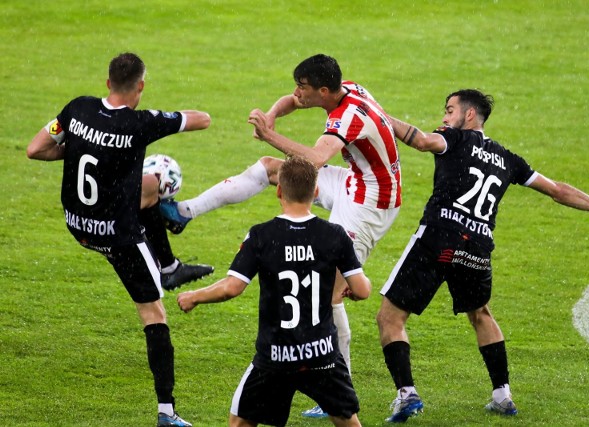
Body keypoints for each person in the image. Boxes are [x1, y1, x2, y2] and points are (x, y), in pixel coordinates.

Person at [162, 53, 401, 418]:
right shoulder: (344, 90)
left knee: (333, 291)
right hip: (355, 182)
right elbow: (291, 102)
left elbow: (317, 159)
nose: (296, 93)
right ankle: (184, 212)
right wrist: (273, 114)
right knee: (269, 169)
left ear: (323, 89)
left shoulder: (347, 116)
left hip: (371, 203)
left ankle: (338, 384)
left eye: (302, 87)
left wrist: (269, 134)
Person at [376, 89, 589, 423]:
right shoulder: (508, 159)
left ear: (469, 116)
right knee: (481, 313)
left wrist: (378, 115)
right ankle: (502, 395)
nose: (444, 117)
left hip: (439, 240)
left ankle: (407, 394)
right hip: (478, 248)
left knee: (390, 318)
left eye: (449, 110)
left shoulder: (454, 139)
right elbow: (557, 190)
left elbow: (422, 141)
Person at [26, 52, 216, 427]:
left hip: (77, 223)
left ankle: (170, 263)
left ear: (107, 81)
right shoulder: (140, 123)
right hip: (117, 234)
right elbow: (203, 120)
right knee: (153, 313)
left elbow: (36, 149)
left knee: (148, 188)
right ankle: (167, 413)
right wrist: (161, 117)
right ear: (140, 86)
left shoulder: (78, 109)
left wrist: (78, 148)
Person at [177, 156, 371, 427]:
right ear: (315, 192)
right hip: (322, 353)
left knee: (240, 422)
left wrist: (193, 296)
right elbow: (363, 290)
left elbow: (232, 288)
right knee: (347, 420)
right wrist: (353, 289)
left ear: (279, 190)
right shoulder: (335, 234)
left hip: (277, 355)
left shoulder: (262, 236)